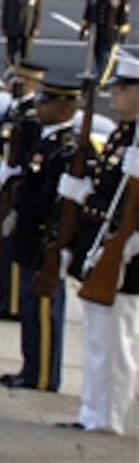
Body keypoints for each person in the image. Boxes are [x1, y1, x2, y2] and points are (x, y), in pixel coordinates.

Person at [56, 58, 139, 435]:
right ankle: (93, 412)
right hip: (102, 252)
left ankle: (111, 418)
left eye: (124, 87)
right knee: (96, 342)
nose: (115, 93)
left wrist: (130, 245)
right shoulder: (125, 134)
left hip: (125, 260)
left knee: (116, 345)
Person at [0, 77, 80, 391]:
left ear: (64, 109)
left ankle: (42, 374)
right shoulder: (46, 143)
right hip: (31, 238)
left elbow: (51, 203)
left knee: (43, 311)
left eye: (45, 102)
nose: (39, 107)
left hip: (44, 241)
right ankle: (30, 368)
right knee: (31, 309)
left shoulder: (63, 150)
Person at [0, 59, 47, 322]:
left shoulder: (32, 115)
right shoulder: (18, 109)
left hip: (17, 187)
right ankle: (4, 296)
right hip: (6, 183)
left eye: (13, 78)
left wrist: (16, 171)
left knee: (10, 246)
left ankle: (12, 302)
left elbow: (29, 154)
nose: (7, 82)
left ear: (26, 82)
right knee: (2, 244)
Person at [79, 0, 130, 86]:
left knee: (107, 57)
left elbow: (123, 17)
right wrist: (83, 28)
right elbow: (88, 12)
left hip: (111, 31)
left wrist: (124, 33)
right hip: (96, 31)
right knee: (97, 54)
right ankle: (100, 77)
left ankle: (101, 81)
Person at [1, 0, 41, 66]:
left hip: (27, 26)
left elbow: (37, 11)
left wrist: (36, 27)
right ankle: (10, 73)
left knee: (26, 55)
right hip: (12, 25)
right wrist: (4, 25)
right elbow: (5, 8)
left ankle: (23, 75)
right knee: (11, 54)